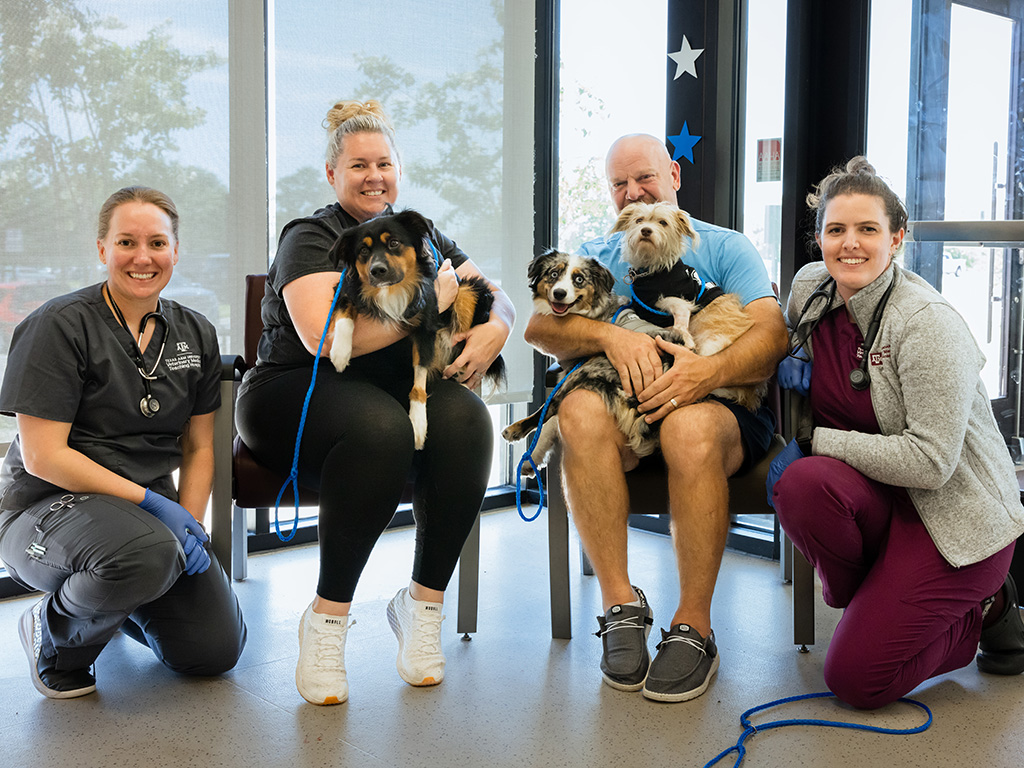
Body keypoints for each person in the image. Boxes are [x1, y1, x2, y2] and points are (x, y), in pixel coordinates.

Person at [235, 100, 514, 706]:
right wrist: (433, 308)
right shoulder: (310, 236)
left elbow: (491, 292)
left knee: (466, 420)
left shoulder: (421, 231)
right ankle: (327, 621)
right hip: (293, 392)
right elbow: (323, 340)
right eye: (358, 164)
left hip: (388, 390)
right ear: (331, 173)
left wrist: (499, 328)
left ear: (398, 170)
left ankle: (421, 607)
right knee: (382, 429)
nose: (374, 176)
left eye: (384, 163)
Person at [524, 133, 787, 702]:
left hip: (719, 403)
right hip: (625, 401)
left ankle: (695, 625)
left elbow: (772, 336)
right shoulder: (595, 252)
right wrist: (609, 336)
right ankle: (620, 604)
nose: (631, 192)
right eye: (619, 184)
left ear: (673, 174)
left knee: (687, 428)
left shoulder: (725, 246)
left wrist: (708, 374)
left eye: (643, 178)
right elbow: (540, 327)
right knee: (577, 410)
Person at [767, 157, 1024, 709]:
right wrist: (790, 356)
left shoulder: (926, 322)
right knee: (803, 487)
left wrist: (817, 441)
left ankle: (983, 610)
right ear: (819, 239)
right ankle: (884, 606)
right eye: (836, 230)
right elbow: (793, 339)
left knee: (856, 681)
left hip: (955, 517)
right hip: (884, 499)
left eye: (868, 229)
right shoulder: (811, 289)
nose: (850, 244)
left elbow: (932, 463)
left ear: (896, 238)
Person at [0, 186, 247, 699]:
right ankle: (55, 632)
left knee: (213, 651)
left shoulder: (195, 332)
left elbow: (200, 447)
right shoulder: (58, 325)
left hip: (143, 523)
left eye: (157, 243)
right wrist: (156, 504)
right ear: (101, 249)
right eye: (126, 242)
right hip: (46, 507)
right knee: (144, 555)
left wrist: (190, 525)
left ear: (175, 251)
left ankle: (115, 598)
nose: (143, 257)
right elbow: (45, 456)